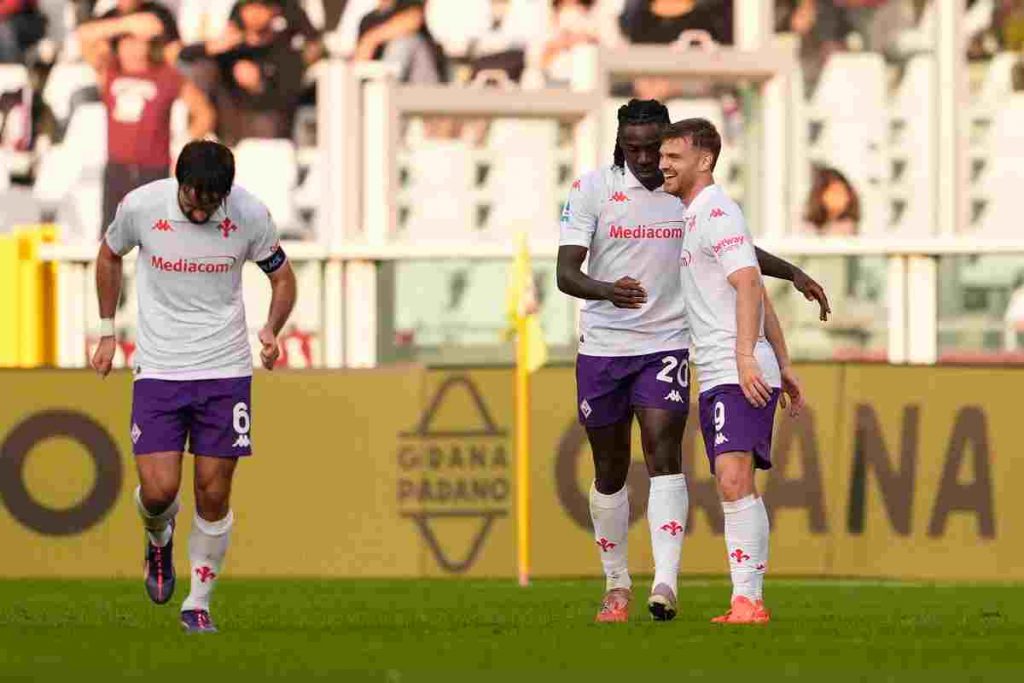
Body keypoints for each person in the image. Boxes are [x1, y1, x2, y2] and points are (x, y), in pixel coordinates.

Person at [556, 99, 829, 623]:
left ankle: (666, 583)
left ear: (673, 146)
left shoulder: (686, 196)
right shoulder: (592, 190)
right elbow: (566, 273)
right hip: (604, 348)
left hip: (667, 346)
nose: (645, 159)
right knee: (610, 471)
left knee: (667, 458)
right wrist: (607, 290)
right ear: (619, 142)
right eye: (633, 148)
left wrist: (787, 276)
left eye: (655, 148)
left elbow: (739, 256)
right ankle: (617, 585)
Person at [90, 140, 298, 633]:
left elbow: (284, 278)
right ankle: (158, 540)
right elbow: (107, 256)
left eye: (211, 200)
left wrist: (272, 329)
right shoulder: (142, 206)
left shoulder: (249, 213)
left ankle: (198, 601)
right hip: (160, 367)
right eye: (193, 198)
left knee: (213, 491)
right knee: (160, 491)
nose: (200, 208)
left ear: (226, 193)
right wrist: (105, 331)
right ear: (178, 182)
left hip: (225, 369)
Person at [659, 117, 804, 624]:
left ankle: (749, 600)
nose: (663, 165)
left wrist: (748, 357)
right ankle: (746, 599)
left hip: (734, 367)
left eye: (674, 157)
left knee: (733, 476)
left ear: (704, 160)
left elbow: (747, 285)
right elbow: (758, 288)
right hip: (728, 366)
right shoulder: (699, 215)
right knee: (731, 479)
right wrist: (781, 361)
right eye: (662, 157)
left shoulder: (716, 210)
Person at [82, 29, 215, 231]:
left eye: (139, 42)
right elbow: (84, 38)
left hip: (153, 171)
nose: (134, 49)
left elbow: (204, 113)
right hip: (117, 170)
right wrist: (129, 23)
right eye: (127, 42)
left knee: (153, 237)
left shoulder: (166, 75)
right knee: (112, 237)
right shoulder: (110, 72)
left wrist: (185, 147)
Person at [801, 165, 860, 236]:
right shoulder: (805, 226)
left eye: (844, 193)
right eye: (835, 192)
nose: (843, 198)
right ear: (820, 194)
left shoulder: (847, 227)